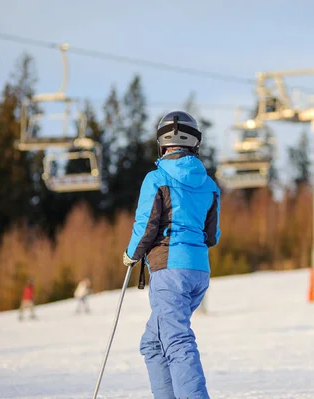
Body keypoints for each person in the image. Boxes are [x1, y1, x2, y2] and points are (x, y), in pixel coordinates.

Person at [123, 111, 221, 399]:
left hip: (170, 271)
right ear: (194, 144)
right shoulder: (209, 185)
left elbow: (146, 225)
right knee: (153, 343)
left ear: (162, 144)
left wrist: (131, 254)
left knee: (176, 341)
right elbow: (212, 236)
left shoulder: (157, 178)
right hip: (198, 273)